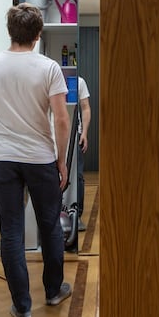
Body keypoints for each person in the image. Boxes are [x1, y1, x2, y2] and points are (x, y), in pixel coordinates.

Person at [0, 3, 72, 317]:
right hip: (40, 159)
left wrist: (7, 131)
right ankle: (52, 290)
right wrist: (62, 162)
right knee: (50, 227)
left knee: (11, 232)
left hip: (3, 159)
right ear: (37, 34)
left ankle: (22, 307)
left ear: (10, 31)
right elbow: (61, 120)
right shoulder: (48, 68)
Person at [76, 76, 91, 231]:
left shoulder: (79, 81)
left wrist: (84, 133)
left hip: (75, 136)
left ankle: (77, 216)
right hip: (51, 137)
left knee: (78, 176)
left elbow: (85, 107)